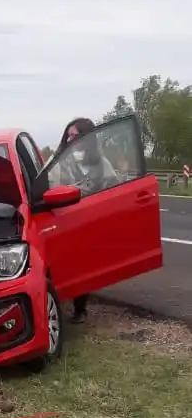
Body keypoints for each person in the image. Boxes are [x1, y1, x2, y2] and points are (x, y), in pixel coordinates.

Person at [52, 117, 118, 325]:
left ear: (86, 138)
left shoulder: (101, 163)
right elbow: (50, 186)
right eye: (68, 135)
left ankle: (80, 309)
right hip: (65, 220)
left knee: (83, 265)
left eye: (75, 135)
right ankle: (56, 301)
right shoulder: (59, 162)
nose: (70, 139)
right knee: (62, 263)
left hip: (89, 221)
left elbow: (114, 186)